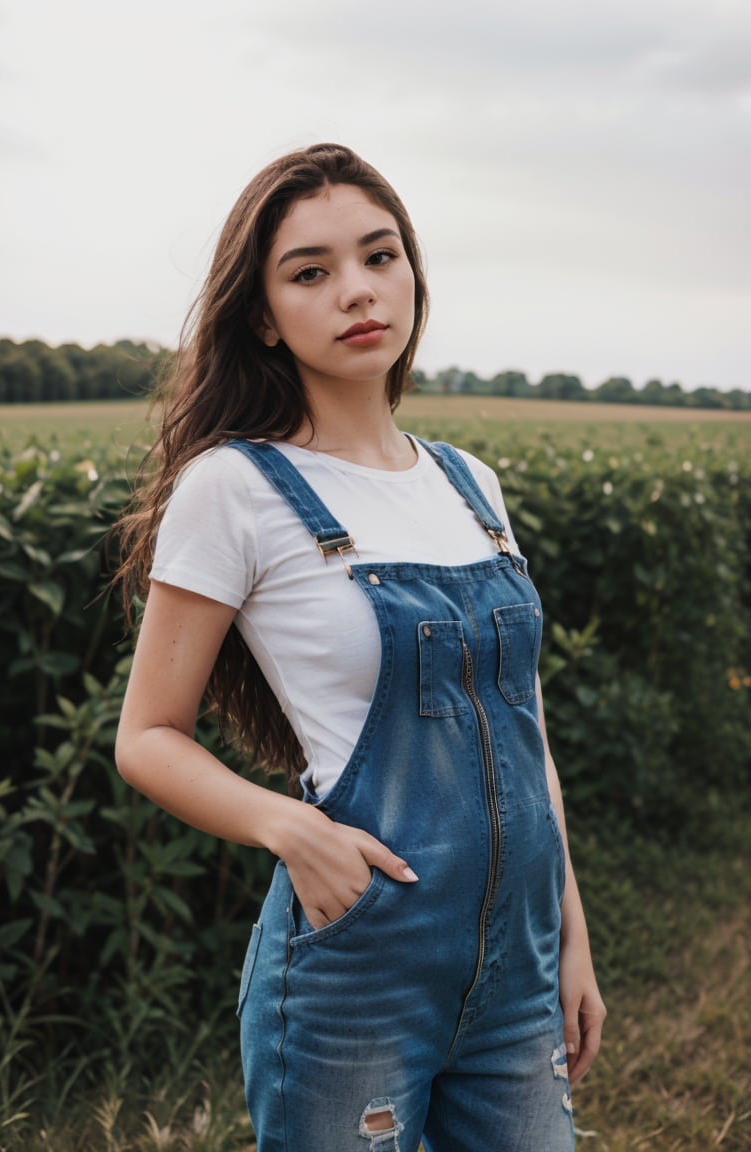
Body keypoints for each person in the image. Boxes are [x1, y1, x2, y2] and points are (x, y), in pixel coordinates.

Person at [115, 142, 606, 1152]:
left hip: (517, 968)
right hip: (357, 974)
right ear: (261, 313)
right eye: (311, 271)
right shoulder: (236, 489)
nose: (357, 290)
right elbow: (148, 735)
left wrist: (571, 939)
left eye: (379, 256)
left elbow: (524, 722)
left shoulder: (470, 484)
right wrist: (290, 832)